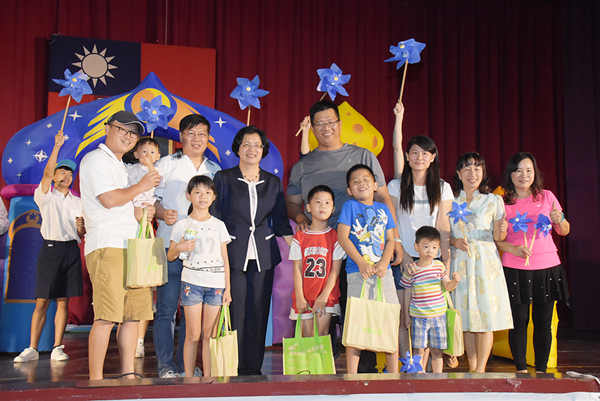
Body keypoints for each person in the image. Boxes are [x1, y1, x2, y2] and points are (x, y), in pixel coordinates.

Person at [79, 111, 161, 380]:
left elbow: (126, 206)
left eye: (133, 133)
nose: (128, 136)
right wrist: (141, 186)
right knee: (106, 316)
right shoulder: (95, 160)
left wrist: (144, 212)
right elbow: (110, 200)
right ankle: (96, 379)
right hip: (108, 245)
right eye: (122, 130)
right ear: (107, 129)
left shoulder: (122, 166)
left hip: (132, 245)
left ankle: (128, 373)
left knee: (133, 316)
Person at [212, 125, 293, 376]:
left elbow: (280, 220)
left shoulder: (272, 182)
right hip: (232, 254)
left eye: (256, 145)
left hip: (263, 254)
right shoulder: (223, 178)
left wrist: (300, 247)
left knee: (258, 311)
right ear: (237, 148)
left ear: (263, 150)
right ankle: (233, 366)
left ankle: (253, 368)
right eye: (246, 144)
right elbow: (215, 218)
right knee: (235, 311)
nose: (251, 149)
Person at [153, 114, 221, 378]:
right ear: (181, 136)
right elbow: (148, 199)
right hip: (172, 248)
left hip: (203, 256)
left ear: (208, 138)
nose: (197, 139)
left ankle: (187, 366)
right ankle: (166, 366)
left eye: (202, 134)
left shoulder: (214, 169)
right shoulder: (166, 164)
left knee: (192, 316)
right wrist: (161, 213)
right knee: (167, 311)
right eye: (191, 133)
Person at [388, 101, 453, 366]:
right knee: (405, 316)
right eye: (414, 152)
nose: (419, 157)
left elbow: (444, 227)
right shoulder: (395, 185)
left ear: (433, 157)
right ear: (407, 156)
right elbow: (391, 224)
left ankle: (425, 368)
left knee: (429, 316)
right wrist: (399, 119)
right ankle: (409, 365)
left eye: (425, 153)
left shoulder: (443, 187)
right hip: (403, 260)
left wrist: (445, 260)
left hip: (431, 262)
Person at [13, 131, 85, 363]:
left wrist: (82, 227)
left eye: (69, 172)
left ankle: (57, 347)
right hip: (51, 249)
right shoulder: (45, 196)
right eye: (61, 171)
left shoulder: (78, 202)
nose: (66, 174)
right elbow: (46, 172)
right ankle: (32, 347)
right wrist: (56, 146)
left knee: (64, 300)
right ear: (53, 177)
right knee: (42, 300)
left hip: (71, 250)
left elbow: (82, 234)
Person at [496, 152, 570, 373]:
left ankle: (542, 370)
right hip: (515, 268)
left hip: (547, 267)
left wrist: (560, 220)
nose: (524, 175)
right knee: (518, 323)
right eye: (518, 170)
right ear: (510, 174)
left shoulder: (547, 196)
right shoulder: (501, 201)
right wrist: (513, 248)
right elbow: (495, 240)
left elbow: (564, 231)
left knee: (543, 323)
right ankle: (520, 371)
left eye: (528, 170)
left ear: (535, 173)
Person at [449, 152, 513, 373]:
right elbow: (441, 234)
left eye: (477, 168)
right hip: (460, 262)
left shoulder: (494, 200)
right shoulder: (449, 201)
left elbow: (498, 237)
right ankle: (472, 368)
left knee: (485, 317)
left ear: (483, 173)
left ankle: (480, 370)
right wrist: (453, 240)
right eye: (466, 168)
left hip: (485, 263)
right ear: (459, 173)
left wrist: (501, 229)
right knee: (464, 318)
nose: (472, 173)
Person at [337, 164, 399, 374]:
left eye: (366, 180)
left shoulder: (383, 209)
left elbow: (391, 238)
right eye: (355, 181)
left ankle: (393, 374)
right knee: (357, 321)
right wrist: (362, 263)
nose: (361, 183)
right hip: (357, 272)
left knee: (389, 318)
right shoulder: (349, 206)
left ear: (375, 185)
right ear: (349, 190)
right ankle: (352, 375)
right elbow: (343, 237)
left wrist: (384, 262)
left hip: (384, 274)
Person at [167, 175, 231, 378]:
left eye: (207, 192)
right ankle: (188, 377)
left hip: (216, 284)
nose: (202, 196)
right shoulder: (181, 224)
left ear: (214, 197)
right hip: (191, 283)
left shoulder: (219, 225)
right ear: (188, 195)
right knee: (192, 335)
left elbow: (225, 258)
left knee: (209, 336)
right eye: (197, 192)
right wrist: (180, 247)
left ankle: (209, 377)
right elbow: (170, 256)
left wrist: (228, 288)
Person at [400, 226, 461, 373]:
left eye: (434, 247)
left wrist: (455, 281)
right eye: (425, 246)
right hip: (418, 317)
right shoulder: (412, 269)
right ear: (416, 246)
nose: (429, 251)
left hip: (438, 316)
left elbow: (447, 286)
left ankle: (438, 378)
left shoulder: (439, 266)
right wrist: (406, 315)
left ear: (438, 249)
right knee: (418, 349)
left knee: (437, 350)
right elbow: (407, 292)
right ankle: (418, 375)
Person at [290, 185, 344, 336]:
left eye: (328, 203)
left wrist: (324, 296)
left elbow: (335, 270)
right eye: (318, 202)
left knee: (321, 337)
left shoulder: (336, 237)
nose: (323, 206)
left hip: (327, 296)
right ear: (308, 207)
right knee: (306, 338)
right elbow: (297, 268)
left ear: (333, 208)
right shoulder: (300, 237)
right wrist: (300, 296)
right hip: (304, 296)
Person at [127, 137, 164, 223]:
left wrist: (150, 164)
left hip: (144, 199)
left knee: (139, 216)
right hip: (131, 197)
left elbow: (157, 180)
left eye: (152, 152)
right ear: (136, 154)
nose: (148, 155)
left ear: (158, 156)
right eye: (144, 151)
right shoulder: (132, 167)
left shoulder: (156, 170)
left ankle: (144, 232)